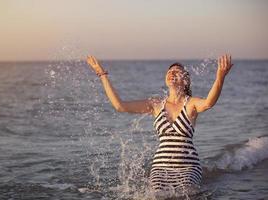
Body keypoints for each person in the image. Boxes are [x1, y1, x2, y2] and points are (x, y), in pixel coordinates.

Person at [86, 55, 233, 196]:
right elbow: (120, 106)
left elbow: (208, 103)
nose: (171, 73)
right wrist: (102, 74)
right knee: (156, 194)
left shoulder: (191, 103)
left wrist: (220, 76)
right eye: (169, 71)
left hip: (188, 168)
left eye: (176, 71)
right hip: (161, 168)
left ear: (185, 80)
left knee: (186, 194)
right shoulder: (155, 105)